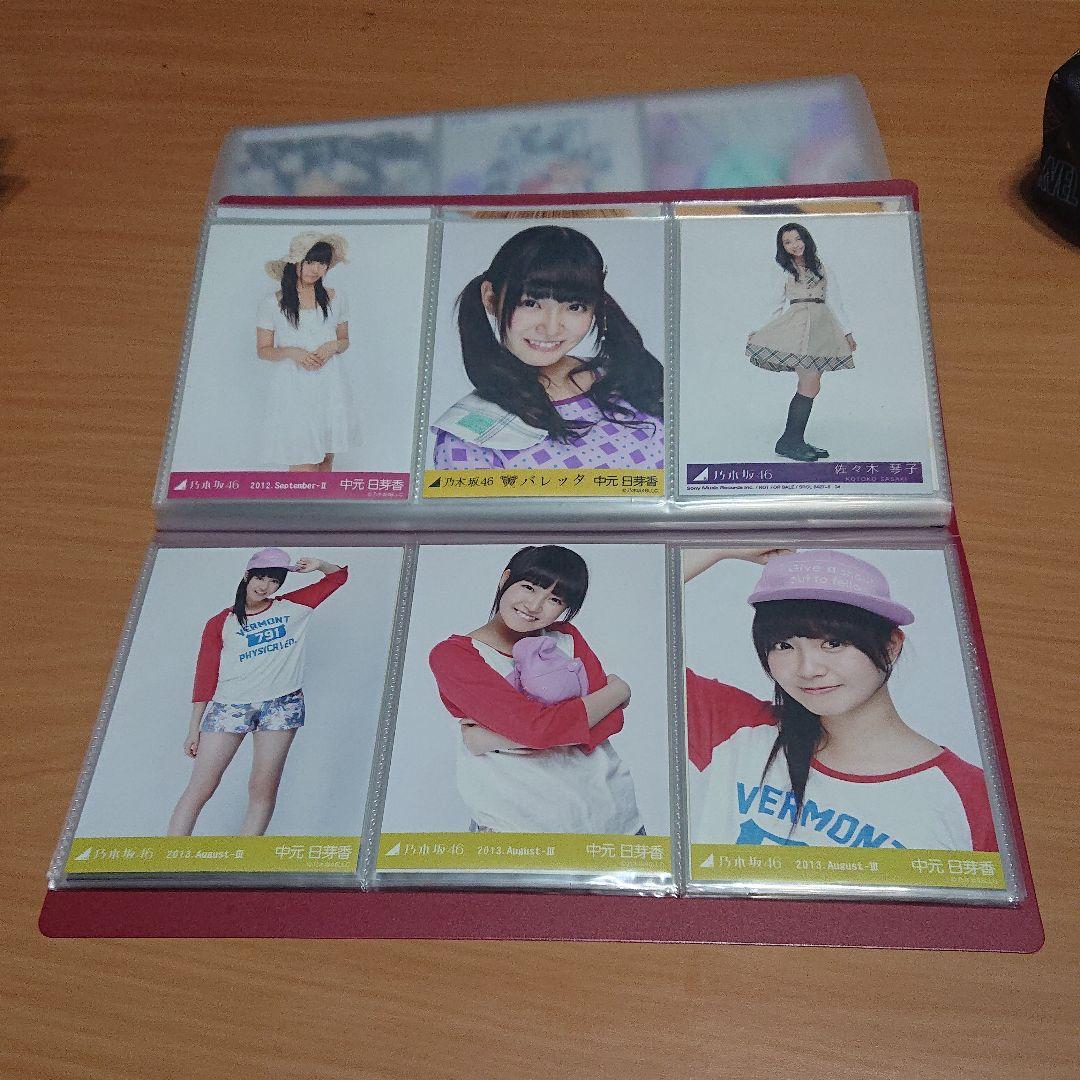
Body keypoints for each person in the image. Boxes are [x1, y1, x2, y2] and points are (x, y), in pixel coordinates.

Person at [683, 548, 997, 851]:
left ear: (891, 645)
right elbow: (647, 638)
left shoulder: (975, 800)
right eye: (783, 646)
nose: (808, 669)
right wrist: (718, 546)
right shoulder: (739, 735)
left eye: (833, 643)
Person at [427, 545, 643, 834]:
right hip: (516, 830)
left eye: (554, 599)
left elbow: (610, 720)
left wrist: (490, 738)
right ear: (505, 580)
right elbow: (538, 729)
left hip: (614, 821)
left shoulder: (566, 638)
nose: (534, 606)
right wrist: (615, 692)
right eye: (529, 587)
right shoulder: (455, 656)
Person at [430, 225, 664, 471]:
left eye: (575, 307)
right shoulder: (467, 437)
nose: (551, 328)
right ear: (491, 298)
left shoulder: (629, 379)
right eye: (530, 303)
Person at [167, 548, 348, 836]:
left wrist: (319, 565)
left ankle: (244, 855)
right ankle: (170, 855)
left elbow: (338, 578)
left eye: (274, 581)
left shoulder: (294, 606)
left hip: (281, 705)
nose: (265, 586)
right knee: (201, 786)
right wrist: (194, 728)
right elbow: (205, 676)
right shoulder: (220, 622)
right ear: (247, 576)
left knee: (262, 787)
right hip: (229, 707)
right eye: (261, 578)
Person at [745, 223, 856, 462]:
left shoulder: (821, 267)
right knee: (809, 383)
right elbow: (773, 302)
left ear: (805, 239)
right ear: (782, 247)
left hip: (822, 327)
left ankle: (793, 440)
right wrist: (759, 330)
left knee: (812, 385)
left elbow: (835, 301)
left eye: (797, 239)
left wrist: (846, 332)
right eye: (787, 242)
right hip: (797, 327)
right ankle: (790, 442)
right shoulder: (784, 269)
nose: (794, 245)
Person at [256, 233, 356, 471]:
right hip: (294, 388)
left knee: (326, 459)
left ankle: (324, 498)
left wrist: (331, 347)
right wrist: (293, 352)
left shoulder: (336, 298)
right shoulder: (272, 303)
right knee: (304, 463)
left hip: (330, 384)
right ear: (296, 262)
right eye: (310, 262)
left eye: (322, 263)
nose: (316, 269)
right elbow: (263, 350)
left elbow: (344, 341)